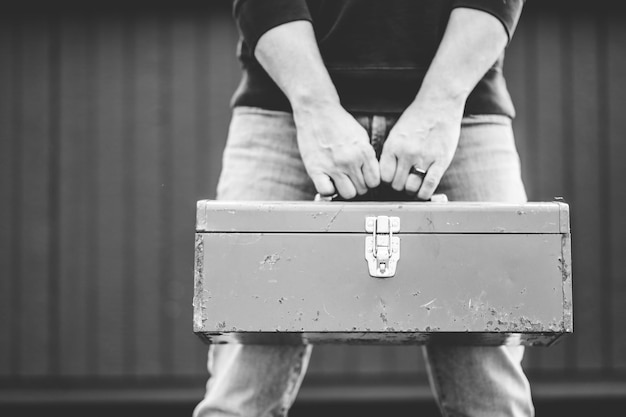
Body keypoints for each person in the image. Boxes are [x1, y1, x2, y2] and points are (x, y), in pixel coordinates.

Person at [194, 0, 533, 416]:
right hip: (283, 104)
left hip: (463, 110)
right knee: (239, 389)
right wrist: (314, 106)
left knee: (493, 392)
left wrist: (440, 104)